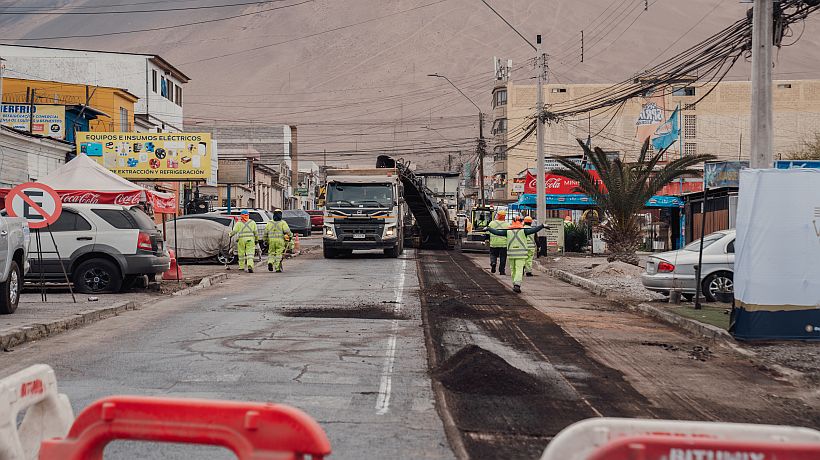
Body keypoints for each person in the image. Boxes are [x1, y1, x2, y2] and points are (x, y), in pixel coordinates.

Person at [485, 215, 544, 293]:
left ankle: (514, 284)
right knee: (519, 269)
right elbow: (534, 230)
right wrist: (542, 226)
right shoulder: (524, 231)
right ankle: (517, 284)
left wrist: (488, 228)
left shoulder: (508, 231)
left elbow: (497, 232)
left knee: (513, 269)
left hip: (511, 254)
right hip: (521, 254)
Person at [488, 210, 508, 275]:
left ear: (497, 216)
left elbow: (487, 233)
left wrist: (487, 239)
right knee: (503, 257)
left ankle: (493, 263)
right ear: (504, 216)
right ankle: (502, 271)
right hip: (503, 244)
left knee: (493, 255)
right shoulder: (507, 224)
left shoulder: (492, 223)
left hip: (494, 243)